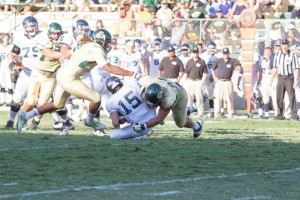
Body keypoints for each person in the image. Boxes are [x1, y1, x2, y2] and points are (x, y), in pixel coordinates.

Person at [17, 29, 142, 133]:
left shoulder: (87, 44)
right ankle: (89, 121)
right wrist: (131, 73)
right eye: (108, 42)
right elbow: (108, 67)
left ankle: (25, 115)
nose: (108, 44)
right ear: (103, 41)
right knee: (96, 98)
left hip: (62, 73)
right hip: (69, 78)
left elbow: (68, 55)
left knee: (57, 105)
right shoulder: (97, 49)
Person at [20, 22, 64, 132]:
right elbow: (51, 54)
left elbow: (62, 58)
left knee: (42, 104)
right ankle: (21, 120)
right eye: (54, 34)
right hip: (37, 74)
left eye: (58, 34)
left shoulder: (63, 43)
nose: (56, 36)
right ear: (49, 34)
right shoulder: (43, 40)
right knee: (30, 102)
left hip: (50, 77)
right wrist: (67, 53)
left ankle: (35, 122)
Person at [134, 75, 204, 139]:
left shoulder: (168, 100)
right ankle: (186, 111)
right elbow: (136, 77)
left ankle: (197, 126)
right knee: (143, 101)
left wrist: (143, 126)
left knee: (180, 123)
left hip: (180, 96)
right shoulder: (147, 81)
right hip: (168, 90)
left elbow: (159, 119)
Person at [4, 16, 43, 130]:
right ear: (25, 28)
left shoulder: (43, 35)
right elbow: (12, 55)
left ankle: (36, 122)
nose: (32, 28)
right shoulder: (20, 37)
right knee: (17, 98)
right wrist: (12, 64)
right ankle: (10, 121)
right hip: (26, 73)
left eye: (33, 25)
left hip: (42, 73)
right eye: (29, 26)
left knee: (43, 100)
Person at [270, 39, 299, 120]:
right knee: (279, 97)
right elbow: (275, 67)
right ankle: (279, 115)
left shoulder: (293, 54)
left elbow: (296, 68)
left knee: (291, 97)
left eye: (286, 44)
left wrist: (295, 81)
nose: (284, 46)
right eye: (283, 45)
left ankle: (294, 115)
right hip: (280, 78)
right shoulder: (277, 54)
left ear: (288, 45)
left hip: (289, 77)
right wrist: (271, 79)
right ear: (281, 46)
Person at [211, 47, 241, 118]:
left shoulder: (232, 61)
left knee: (229, 98)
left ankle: (231, 114)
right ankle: (217, 113)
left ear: (229, 53)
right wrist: (214, 77)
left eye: (226, 53)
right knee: (217, 98)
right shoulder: (219, 61)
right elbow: (212, 69)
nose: (225, 55)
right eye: (224, 53)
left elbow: (239, 64)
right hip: (220, 81)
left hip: (228, 81)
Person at [182, 46, 208, 117]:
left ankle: (201, 113)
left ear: (198, 53)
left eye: (196, 52)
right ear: (192, 53)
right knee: (189, 98)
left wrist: (202, 82)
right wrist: (185, 82)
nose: (195, 54)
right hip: (190, 81)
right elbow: (186, 72)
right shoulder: (189, 61)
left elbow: (205, 73)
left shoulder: (202, 62)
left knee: (199, 98)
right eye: (194, 52)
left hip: (198, 81)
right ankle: (189, 113)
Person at [200, 41, 220, 118]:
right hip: (207, 78)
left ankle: (219, 111)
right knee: (210, 95)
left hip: (217, 77)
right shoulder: (203, 56)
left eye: (213, 48)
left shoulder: (219, 56)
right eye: (210, 48)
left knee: (218, 95)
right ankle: (212, 111)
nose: (212, 49)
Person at [257, 47, 273, 119]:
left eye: (269, 52)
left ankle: (276, 113)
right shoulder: (261, 60)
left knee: (272, 97)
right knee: (262, 97)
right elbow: (260, 71)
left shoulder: (273, 59)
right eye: (267, 52)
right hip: (264, 79)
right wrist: (258, 81)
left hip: (272, 78)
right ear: (264, 53)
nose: (268, 54)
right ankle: (264, 114)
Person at [0, 33, 13, 107]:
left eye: (8, 38)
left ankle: (10, 100)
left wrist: (13, 67)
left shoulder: (11, 46)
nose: (7, 39)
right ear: (2, 38)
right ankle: (2, 100)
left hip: (9, 67)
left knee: (10, 84)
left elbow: (14, 57)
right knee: (2, 84)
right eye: (5, 38)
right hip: (1, 67)